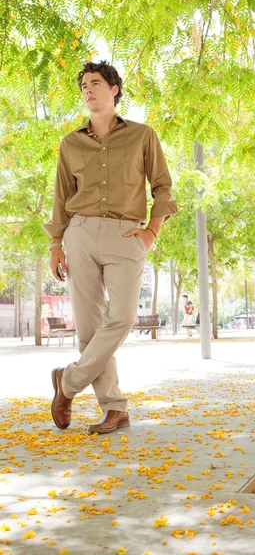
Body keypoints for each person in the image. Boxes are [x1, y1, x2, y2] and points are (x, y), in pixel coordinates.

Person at [44, 60, 177, 434]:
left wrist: (152, 230)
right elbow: (61, 197)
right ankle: (114, 407)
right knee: (88, 327)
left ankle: (67, 383)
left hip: (126, 235)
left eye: (96, 83)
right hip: (81, 233)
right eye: (84, 84)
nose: (88, 89)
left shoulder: (142, 135)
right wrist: (56, 244)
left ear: (114, 89)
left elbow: (162, 186)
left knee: (121, 317)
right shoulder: (71, 143)